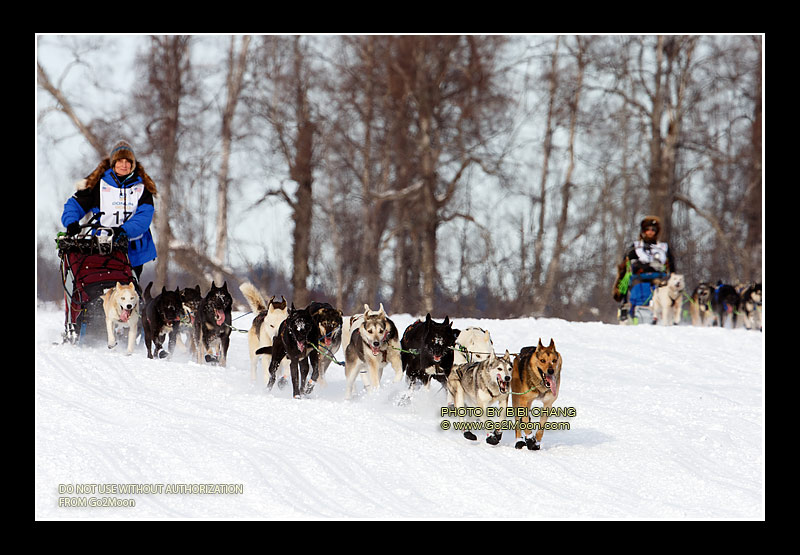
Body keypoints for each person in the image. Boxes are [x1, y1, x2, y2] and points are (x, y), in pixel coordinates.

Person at [61, 140, 157, 281]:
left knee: (129, 291)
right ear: (113, 163)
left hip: (133, 249)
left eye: (127, 161)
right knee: (105, 288)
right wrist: (71, 222)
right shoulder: (99, 185)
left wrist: (123, 230)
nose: (124, 165)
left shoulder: (142, 188)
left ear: (133, 164)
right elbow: (74, 204)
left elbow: (144, 217)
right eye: (120, 161)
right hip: (103, 246)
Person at [613, 215, 677, 323]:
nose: (650, 232)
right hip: (639, 278)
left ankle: (665, 317)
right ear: (643, 231)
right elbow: (625, 265)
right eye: (647, 229)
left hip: (660, 278)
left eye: (653, 229)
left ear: (657, 231)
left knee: (663, 294)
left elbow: (672, 266)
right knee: (640, 291)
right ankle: (632, 313)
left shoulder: (663, 247)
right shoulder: (636, 247)